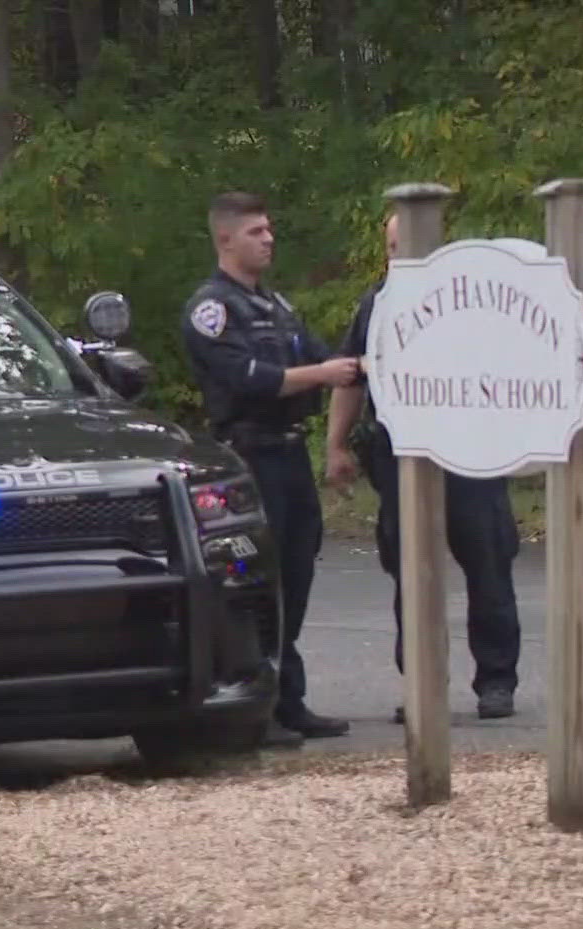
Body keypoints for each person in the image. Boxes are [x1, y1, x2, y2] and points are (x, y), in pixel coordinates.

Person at [325, 213, 522, 722]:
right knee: (411, 573)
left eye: (407, 245)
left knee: (488, 565)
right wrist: (336, 446)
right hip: (401, 455)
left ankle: (496, 682)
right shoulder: (376, 304)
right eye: (391, 246)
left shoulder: (474, 301)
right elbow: (352, 376)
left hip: (471, 453)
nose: (398, 256)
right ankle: (423, 685)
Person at [180, 191, 361, 744]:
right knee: (259, 579)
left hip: (290, 453)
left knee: (297, 573)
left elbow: (326, 361)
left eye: (269, 229)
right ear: (226, 239)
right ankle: (253, 705)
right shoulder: (212, 310)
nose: (269, 239)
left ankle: (288, 698)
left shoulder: (276, 308)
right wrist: (323, 373)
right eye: (256, 231)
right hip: (250, 455)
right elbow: (254, 380)